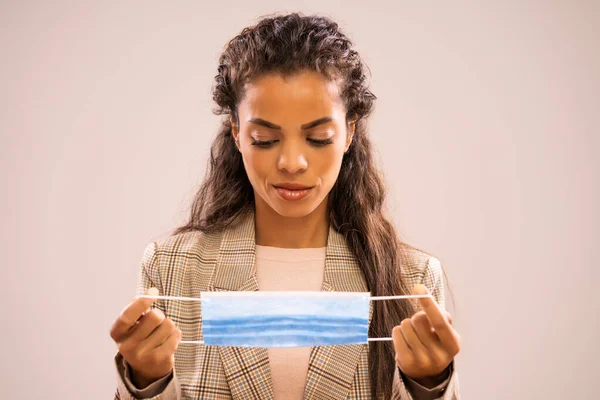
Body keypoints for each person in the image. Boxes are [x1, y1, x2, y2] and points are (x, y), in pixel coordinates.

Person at [109, 12, 460, 400]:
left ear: (349, 133)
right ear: (237, 132)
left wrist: (428, 385)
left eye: (318, 138)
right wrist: (146, 380)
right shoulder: (172, 267)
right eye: (265, 139)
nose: (292, 163)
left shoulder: (412, 279)